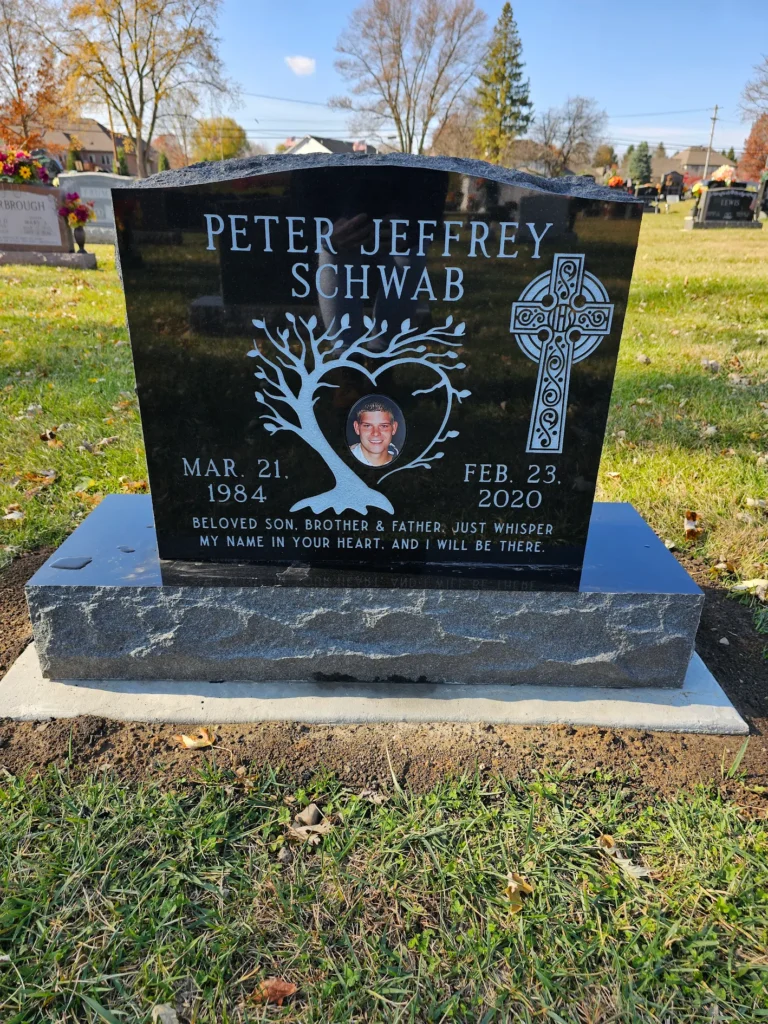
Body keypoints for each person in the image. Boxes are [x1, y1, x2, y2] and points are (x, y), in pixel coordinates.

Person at [349, 398, 400, 467]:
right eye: (367, 426)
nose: (376, 433)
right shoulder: (341, 461)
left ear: (394, 428)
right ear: (357, 428)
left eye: (384, 426)